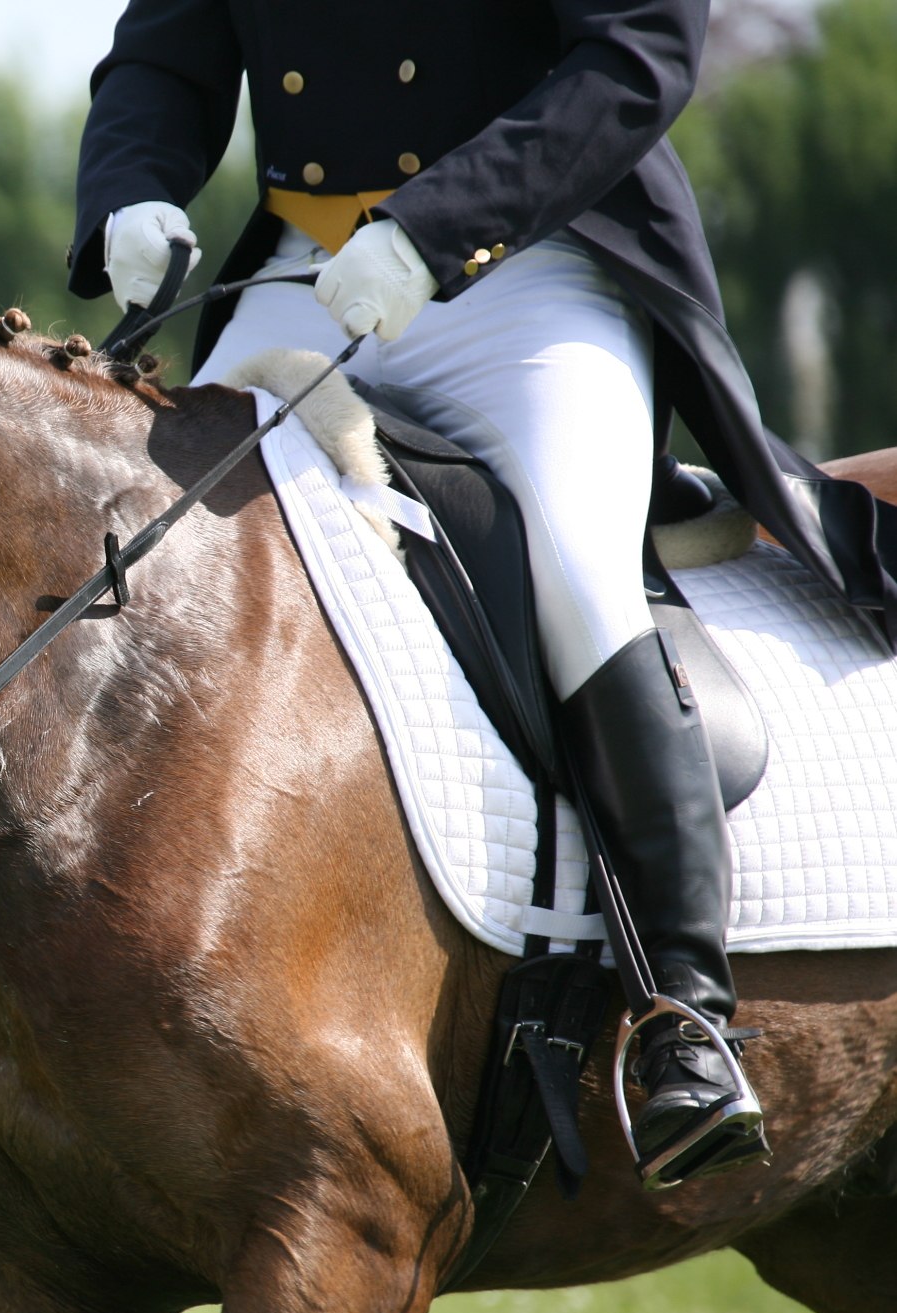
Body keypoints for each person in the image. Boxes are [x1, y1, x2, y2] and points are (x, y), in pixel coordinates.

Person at [69, 0, 897, 1186]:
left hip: (530, 266)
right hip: (302, 272)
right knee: (147, 556)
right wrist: (132, 190)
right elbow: (164, 54)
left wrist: (433, 226)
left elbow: (636, 55)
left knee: (573, 572)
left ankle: (683, 1016)